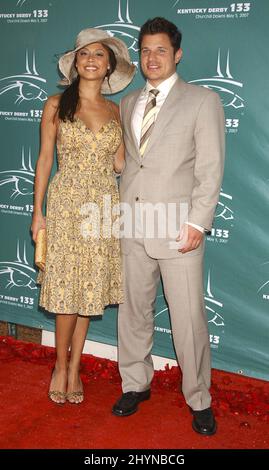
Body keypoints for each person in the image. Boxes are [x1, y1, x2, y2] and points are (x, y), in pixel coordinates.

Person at [112, 17, 225, 435]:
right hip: (132, 225)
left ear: (177, 54)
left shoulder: (202, 100)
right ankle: (135, 383)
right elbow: (129, 164)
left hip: (180, 229)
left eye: (161, 49)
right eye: (145, 50)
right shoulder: (127, 104)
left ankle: (199, 398)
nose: (152, 57)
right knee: (133, 313)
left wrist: (198, 221)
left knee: (188, 318)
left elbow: (210, 169)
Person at [31, 28, 135, 404]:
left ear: (109, 67)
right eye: (84, 54)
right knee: (65, 290)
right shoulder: (57, 104)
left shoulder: (117, 111)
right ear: (75, 63)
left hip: (103, 205)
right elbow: (45, 159)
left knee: (88, 288)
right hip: (66, 203)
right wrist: (37, 211)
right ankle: (61, 365)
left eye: (99, 55)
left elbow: (121, 163)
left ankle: (76, 370)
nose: (91, 59)